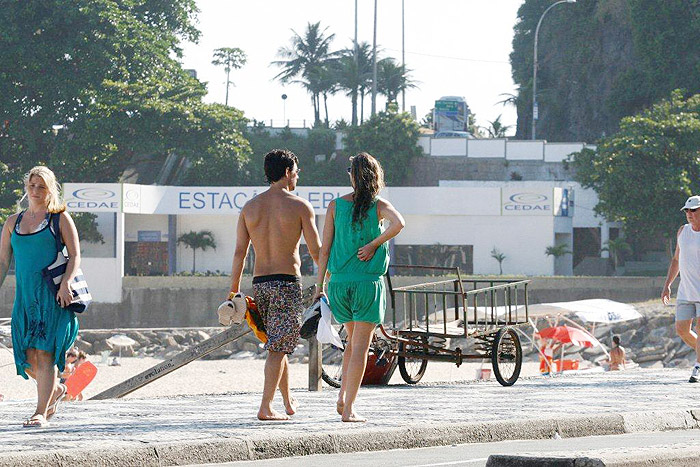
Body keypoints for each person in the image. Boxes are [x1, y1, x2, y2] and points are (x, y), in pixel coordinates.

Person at [227, 149, 321, 420]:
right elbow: (316, 251)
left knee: (278, 343)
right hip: (286, 284)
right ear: (288, 172)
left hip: (260, 284)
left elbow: (239, 253)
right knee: (279, 347)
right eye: (296, 172)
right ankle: (266, 407)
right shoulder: (300, 206)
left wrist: (233, 292)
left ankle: (287, 402)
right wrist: (323, 282)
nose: (298, 176)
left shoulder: (250, 207)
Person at [314, 153, 405, 422]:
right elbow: (400, 224)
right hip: (367, 284)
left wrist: (320, 285)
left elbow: (324, 250)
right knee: (360, 347)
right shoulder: (378, 205)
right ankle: (350, 408)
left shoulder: (334, 206)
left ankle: (343, 396)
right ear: (375, 176)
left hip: (339, 283)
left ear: (353, 176)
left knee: (352, 343)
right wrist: (374, 244)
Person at [0, 166, 81, 427]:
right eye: (32, 185)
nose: (35, 191)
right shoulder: (13, 221)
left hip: (52, 296)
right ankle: (55, 390)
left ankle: (39, 413)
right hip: (24, 299)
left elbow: (75, 255)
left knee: (45, 354)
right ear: (26, 187)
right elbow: (3, 260)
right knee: (24, 356)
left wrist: (66, 283)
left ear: (50, 190)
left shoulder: (59, 219)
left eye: (41, 186)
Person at [662, 195, 700, 383]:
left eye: (693, 210)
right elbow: (676, 260)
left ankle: (697, 369)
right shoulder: (682, 232)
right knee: (682, 330)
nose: (689, 214)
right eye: (687, 210)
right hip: (686, 291)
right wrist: (667, 285)